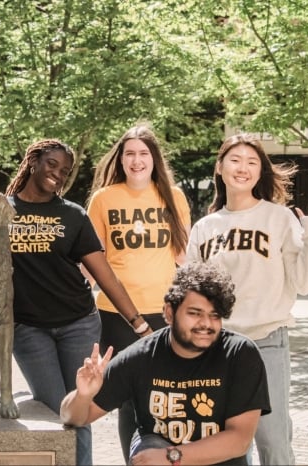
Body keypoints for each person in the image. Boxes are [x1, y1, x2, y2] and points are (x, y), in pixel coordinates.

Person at [4, 138, 148, 465]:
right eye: (52, 165)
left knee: (79, 409)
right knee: (55, 407)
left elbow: (105, 275)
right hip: (27, 328)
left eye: (65, 171)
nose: (58, 174)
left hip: (78, 323)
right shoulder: (2, 210)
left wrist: (139, 323)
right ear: (33, 161)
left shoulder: (72, 215)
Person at [61, 262, 271, 466]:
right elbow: (73, 417)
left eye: (214, 316)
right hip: (156, 453)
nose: (206, 324)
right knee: (149, 450)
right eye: (195, 313)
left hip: (213, 460)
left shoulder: (239, 354)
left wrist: (173, 457)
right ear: (169, 313)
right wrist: (83, 395)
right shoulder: (140, 357)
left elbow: (239, 440)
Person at [186, 133, 308, 465]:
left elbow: (304, 282)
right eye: (235, 159)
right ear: (220, 166)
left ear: (260, 172)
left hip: (266, 343)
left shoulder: (279, 218)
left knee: (273, 441)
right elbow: (191, 293)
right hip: (216, 347)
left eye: (252, 162)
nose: (242, 168)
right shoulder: (204, 227)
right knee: (223, 446)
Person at [85, 124, 191, 460]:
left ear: (154, 158)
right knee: (129, 396)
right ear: (120, 159)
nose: (136, 160)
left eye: (143, 153)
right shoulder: (103, 199)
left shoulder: (173, 197)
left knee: (168, 393)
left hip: (165, 312)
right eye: (129, 153)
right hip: (116, 313)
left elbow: (184, 257)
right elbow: (91, 259)